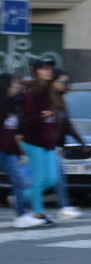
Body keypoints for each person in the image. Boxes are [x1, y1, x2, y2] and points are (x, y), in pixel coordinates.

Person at [18, 59, 60, 226]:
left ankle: (23, 197)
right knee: (39, 178)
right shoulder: (31, 93)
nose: (48, 71)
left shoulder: (50, 92)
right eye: (43, 68)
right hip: (33, 140)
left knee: (52, 178)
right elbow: (28, 118)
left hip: (47, 141)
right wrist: (43, 116)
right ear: (35, 71)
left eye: (49, 68)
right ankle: (38, 214)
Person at [1, 73, 39, 228]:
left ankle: (22, 215)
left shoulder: (13, 104)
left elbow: (15, 131)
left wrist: (18, 151)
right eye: (13, 83)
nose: (17, 85)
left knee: (19, 182)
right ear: (5, 86)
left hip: (10, 152)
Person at [50, 69, 86, 221]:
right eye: (64, 82)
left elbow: (67, 125)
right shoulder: (48, 100)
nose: (67, 85)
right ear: (54, 82)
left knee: (50, 178)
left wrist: (81, 141)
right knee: (58, 177)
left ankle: (20, 198)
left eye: (68, 82)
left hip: (57, 147)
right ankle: (64, 207)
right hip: (47, 146)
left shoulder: (61, 101)